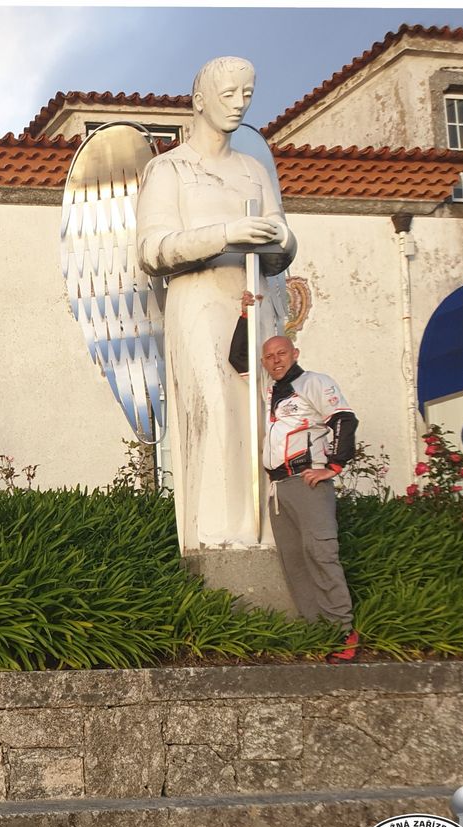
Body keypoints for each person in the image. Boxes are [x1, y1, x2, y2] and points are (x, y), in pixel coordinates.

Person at [137, 56, 296, 551]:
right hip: (200, 301)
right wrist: (226, 233)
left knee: (261, 411)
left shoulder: (253, 170)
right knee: (215, 408)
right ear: (200, 101)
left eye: (246, 94)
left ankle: (264, 534)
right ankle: (216, 536)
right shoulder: (169, 169)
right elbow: (152, 251)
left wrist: (279, 240)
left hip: (253, 300)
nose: (239, 104)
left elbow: (283, 241)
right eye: (228, 94)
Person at [260, 335, 361, 663]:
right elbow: (239, 360)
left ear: (295, 353)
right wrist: (246, 315)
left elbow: (344, 419)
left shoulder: (313, 382)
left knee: (321, 553)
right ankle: (319, 633)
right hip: (278, 487)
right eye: (269, 356)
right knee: (295, 561)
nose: (276, 360)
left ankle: (343, 631)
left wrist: (334, 465)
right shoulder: (267, 391)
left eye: (282, 353)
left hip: (307, 481)